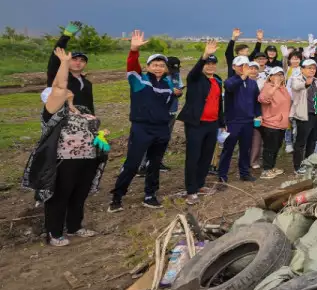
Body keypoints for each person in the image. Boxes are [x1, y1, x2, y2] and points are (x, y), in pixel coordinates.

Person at [24, 48, 108, 246]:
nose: (66, 89)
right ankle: (54, 233)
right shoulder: (53, 112)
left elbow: (93, 129)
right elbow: (59, 85)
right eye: (59, 91)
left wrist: (100, 136)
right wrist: (64, 62)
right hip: (64, 159)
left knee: (80, 193)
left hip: (88, 157)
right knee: (61, 195)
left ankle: (75, 226)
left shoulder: (83, 110)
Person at [108, 31, 176, 212]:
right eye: (154, 64)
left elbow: (168, 103)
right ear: (147, 66)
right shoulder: (139, 80)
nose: (158, 67)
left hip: (161, 129)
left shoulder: (168, 83)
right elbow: (131, 65)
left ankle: (150, 195)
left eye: (162, 65)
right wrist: (134, 50)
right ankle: (117, 196)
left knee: (154, 164)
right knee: (132, 163)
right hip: (142, 128)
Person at [178, 41, 223, 205]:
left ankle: (200, 184)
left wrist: (221, 122)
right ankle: (191, 190)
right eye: (208, 63)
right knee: (193, 156)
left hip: (212, 124)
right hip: (196, 124)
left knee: (206, 156)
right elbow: (195, 71)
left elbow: (219, 103)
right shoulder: (195, 79)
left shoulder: (217, 81)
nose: (210, 66)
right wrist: (203, 56)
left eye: (213, 64)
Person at [217, 54, 260, 183]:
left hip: (248, 121)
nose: (243, 68)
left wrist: (258, 115)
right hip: (233, 121)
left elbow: (256, 101)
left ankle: (244, 173)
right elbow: (230, 88)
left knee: (245, 149)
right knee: (228, 148)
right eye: (240, 65)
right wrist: (242, 77)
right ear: (234, 67)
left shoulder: (252, 83)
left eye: (246, 65)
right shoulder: (230, 81)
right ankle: (222, 174)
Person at [46, 21, 94, 112]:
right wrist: (66, 36)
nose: (78, 63)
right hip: (62, 121)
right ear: (67, 61)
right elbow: (56, 54)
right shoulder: (59, 78)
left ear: (85, 64)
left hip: (82, 122)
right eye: (74, 59)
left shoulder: (87, 84)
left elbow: (89, 106)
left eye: (82, 60)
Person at [256, 66, 291, 179]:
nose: (279, 77)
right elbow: (263, 99)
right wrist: (275, 87)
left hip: (281, 123)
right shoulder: (268, 87)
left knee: (276, 146)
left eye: (281, 75)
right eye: (276, 75)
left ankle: (271, 167)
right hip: (270, 123)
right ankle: (266, 170)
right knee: (270, 147)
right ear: (270, 77)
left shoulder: (283, 88)